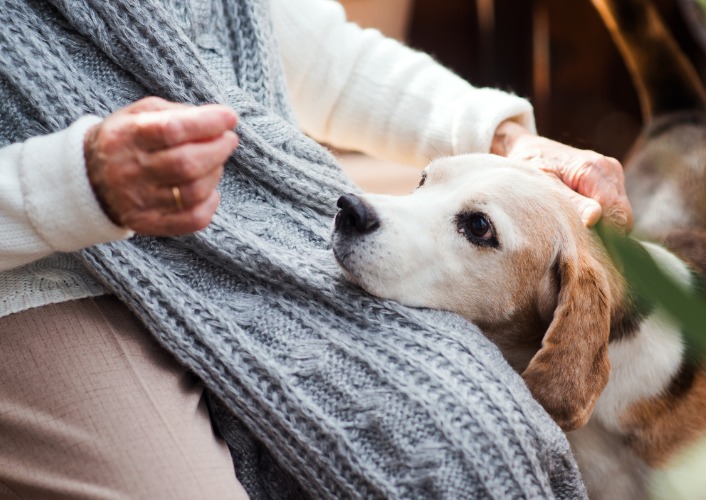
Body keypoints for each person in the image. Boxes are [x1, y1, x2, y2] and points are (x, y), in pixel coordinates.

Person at [0, 0, 632, 498]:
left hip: (259, 232)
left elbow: (320, 56)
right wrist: (71, 184)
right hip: (45, 276)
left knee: (476, 438)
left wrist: (503, 137)